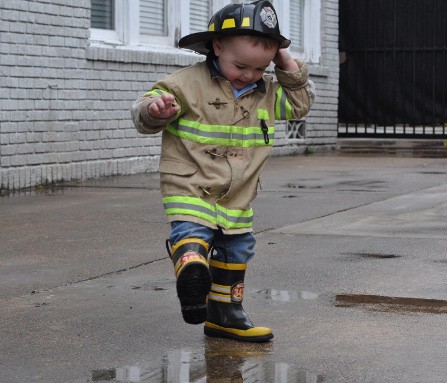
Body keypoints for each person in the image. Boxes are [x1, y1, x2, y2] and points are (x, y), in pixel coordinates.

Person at [131, 0, 314, 342]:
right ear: (217, 46)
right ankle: (190, 265)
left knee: (237, 250)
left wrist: (286, 63)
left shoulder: (267, 94)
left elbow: (300, 104)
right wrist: (155, 110)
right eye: (241, 66)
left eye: (260, 69)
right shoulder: (186, 84)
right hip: (190, 184)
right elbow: (145, 113)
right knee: (193, 233)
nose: (249, 76)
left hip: (238, 194)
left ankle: (224, 315)